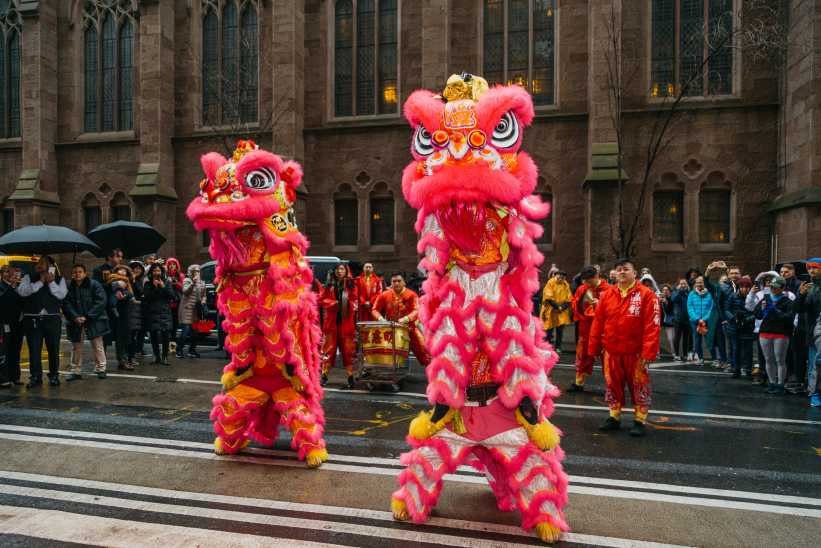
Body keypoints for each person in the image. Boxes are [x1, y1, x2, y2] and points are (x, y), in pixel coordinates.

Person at [589, 259, 660, 437]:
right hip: (611, 351)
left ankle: (640, 419)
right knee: (612, 384)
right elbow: (598, 323)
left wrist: (649, 351)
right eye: (619, 269)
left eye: (626, 269)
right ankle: (614, 416)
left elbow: (652, 325)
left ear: (634, 273)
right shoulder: (607, 295)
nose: (622, 272)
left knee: (639, 385)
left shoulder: (646, 295)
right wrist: (594, 348)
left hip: (635, 353)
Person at [17, 256, 67, 387]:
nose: (39, 265)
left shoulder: (59, 279)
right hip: (33, 318)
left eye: (43, 263)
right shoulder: (28, 277)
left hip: (52, 318)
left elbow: (62, 295)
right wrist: (39, 282)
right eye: (38, 263)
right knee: (34, 349)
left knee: (53, 349)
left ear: (50, 265)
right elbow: (22, 292)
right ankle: (35, 376)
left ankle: (54, 375)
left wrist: (51, 282)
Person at [372, 272, 431, 367]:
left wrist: (406, 319)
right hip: (391, 329)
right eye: (394, 281)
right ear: (391, 283)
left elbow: (416, 310)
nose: (396, 283)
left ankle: (433, 373)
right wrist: (380, 318)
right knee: (389, 354)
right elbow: (374, 309)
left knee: (423, 351)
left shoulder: (411, 295)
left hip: (409, 328)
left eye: (399, 281)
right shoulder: (385, 295)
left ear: (404, 282)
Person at [63, 264, 110, 380]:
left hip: (94, 319)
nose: (77, 274)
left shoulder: (94, 284)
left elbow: (101, 302)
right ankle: (75, 371)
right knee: (76, 346)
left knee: (97, 345)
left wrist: (87, 316)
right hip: (75, 320)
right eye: (75, 272)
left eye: (79, 272)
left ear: (85, 273)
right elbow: (66, 303)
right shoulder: (69, 286)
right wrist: (75, 317)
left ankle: (101, 368)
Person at [567, 266, 609, 392]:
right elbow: (574, 303)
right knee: (582, 356)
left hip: (602, 331)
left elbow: (614, 310)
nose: (586, 284)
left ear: (597, 276)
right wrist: (581, 306)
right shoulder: (582, 289)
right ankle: (579, 382)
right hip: (585, 329)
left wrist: (600, 305)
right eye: (584, 281)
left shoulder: (608, 290)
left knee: (606, 359)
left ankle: (611, 385)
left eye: (589, 281)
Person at [753, 276, 795, 395]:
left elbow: (788, 318)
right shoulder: (765, 298)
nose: (773, 289)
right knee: (768, 359)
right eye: (771, 287)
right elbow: (757, 315)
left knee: (780, 360)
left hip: (781, 333)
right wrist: (761, 309)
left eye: (776, 287)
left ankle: (780, 384)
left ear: (782, 288)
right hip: (765, 332)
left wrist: (774, 310)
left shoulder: (788, 301)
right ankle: (771, 382)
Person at [320, 263, 358, 388]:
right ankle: (324, 375)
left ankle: (350, 376)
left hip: (346, 323)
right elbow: (321, 299)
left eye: (342, 269)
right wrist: (332, 303)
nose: (339, 271)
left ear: (346, 271)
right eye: (337, 269)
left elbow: (355, 300)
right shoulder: (329, 285)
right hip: (331, 324)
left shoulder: (351, 285)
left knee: (348, 351)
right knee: (328, 350)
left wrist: (349, 305)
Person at [796, 258, 821, 406]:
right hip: (813, 332)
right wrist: (801, 295)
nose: (811, 271)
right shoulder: (807, 287)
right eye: (809, 268)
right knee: (814, 364)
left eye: (815, 268)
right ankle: (815, 393)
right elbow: (798, 309)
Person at [143, 263, 175, 365]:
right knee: (154, 335)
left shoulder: (167, 282)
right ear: (151, 273)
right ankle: (156, 356)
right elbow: (147, 298)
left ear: (162, 272)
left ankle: (165, 356)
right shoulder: (148, 284)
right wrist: (155, 288)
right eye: (154, 271)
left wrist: (163, 287)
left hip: (164, 311)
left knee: (166, 335)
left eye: (158, 271)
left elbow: (172, 296)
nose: (157, 273)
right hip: (152, 312)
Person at [93, 248, 123, 348]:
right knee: (104, 335)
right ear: (110, 257)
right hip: (105, 308)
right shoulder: (99, 270)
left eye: (121, 256)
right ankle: (103, 361)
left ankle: (122, 360)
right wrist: (114, 285)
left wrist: (123, 292)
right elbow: (97, 287)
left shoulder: (121, 270)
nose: (121, 259)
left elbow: (127, 285)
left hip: (120, 306)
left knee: (120, 334)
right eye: (118, 256)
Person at [108, 265, 136, 371]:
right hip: (118, 314)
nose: (122, 272)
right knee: (121, 338)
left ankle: (125, 359)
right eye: (121, 270)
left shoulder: (128, 282)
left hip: (126, 313)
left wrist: (126, 294)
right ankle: (122, 361)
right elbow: (112, 290)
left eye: (125, 271)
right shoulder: (113, 279)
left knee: (126, 338)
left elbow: (131, 293)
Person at [0, 266, 23, 387]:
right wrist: (11, 287)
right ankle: (4, 378)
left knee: (15, 350)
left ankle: (15, 377)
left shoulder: (17, 287)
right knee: (4, 351)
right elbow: (3, 301)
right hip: (4, 324)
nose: (9, 274)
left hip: (17, 324)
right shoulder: (2, 287)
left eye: (11, 272)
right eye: (6, 272)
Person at [177, 264, 206, 359]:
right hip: (187, 309)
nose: (197, 273)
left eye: (198, 271)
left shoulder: (202, 283)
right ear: (191, 272)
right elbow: (185, 291)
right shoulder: (187, 280)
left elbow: (204, 295)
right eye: (195, 271)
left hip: (196, 310)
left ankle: (192, 350)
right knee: (185, 331)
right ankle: (179, 350)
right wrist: (192, 283)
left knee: (195, 333)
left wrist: (203, 301)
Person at [730, 276, 757, 378]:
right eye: (742, 287)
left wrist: (747, 319)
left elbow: (757, 312)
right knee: (736, 349)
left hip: (748, 326)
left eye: (747, 287)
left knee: (748, 350)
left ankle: (748, 370)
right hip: (736, 326)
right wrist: (733, 318)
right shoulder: (733, 296)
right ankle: (736, 370)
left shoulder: (754, 297)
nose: (744, 289)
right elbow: (727, 308)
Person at [540, 271, 572, 352]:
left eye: (563, 276)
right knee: (548, 329)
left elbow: (569, 298)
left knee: (560, 330)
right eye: (560, 275)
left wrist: (563, 307)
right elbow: (548, 297)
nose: (561, 277)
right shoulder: (550, 283)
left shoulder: (566, 284)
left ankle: (558, 346)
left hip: (561, 311)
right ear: (555, 275)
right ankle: (547, 346)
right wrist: (558, 307)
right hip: (550, 310)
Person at [687, 276, 715, 366]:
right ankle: (700, 358)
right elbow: (690, 307)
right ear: (695, 283)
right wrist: (697, 319)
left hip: (706, 321)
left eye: (701, 282)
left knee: (709, 340)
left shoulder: (710, 294)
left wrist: (704, 319)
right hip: (695, 322)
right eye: (698, 282)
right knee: (697, 341)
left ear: (704, 283)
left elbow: (711, 308)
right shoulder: (691, 294)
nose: (699, 284)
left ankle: (715, 359)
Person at [128, 261, 146, 367]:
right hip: (130, 309)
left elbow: (142, 293)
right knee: (130, 335)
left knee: (136, 334)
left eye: (139, 268)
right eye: (135, 268)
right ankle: (129, 357)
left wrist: (135, 281)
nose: (137, 270)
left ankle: (132, 356)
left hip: (139, 309)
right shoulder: (128, 280)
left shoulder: (141, 280)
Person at [165, 257, 184, 350]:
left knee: (174, 326)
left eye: (174, 264)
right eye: (170, 264)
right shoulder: (164, 275)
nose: (172, 266)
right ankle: (166, 346)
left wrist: (175, 282)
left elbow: (183, 288)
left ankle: (172, 347)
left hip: (177, 304)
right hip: (167, 303)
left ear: (177, 265)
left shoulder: (180, 275)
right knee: (168, 326)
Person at [670, 279, 691, 361]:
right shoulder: (676, 292)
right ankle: (676, 354)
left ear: (687, 284)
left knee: (686, 338)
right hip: (678, 319)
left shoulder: (689, 293)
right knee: (677, 337)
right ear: (678, 285)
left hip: (687, 319)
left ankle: (685, 354)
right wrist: (678, 290)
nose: (683, 285)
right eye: (681, 284)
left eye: (684, 283)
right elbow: (673, 299)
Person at [660, 284, 677, 359]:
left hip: (672, 321)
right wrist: (661, 302)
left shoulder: (672, 299)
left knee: (672, 338)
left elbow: (670, 310)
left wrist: (666, 302)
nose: (665, 291)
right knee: (669, 338)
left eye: (666, 290)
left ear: (670, 291)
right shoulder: (660, 299)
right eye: (663, 290)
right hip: (663, 321)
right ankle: (673, 353)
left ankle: (675, 353)